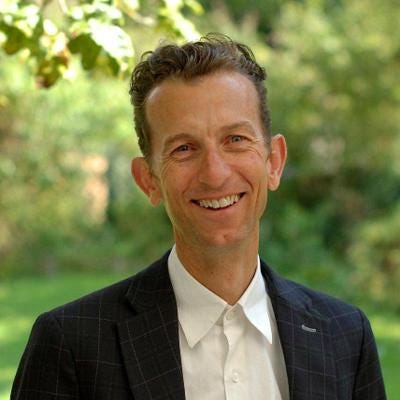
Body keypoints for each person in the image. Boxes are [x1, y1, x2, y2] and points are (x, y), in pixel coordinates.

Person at [11, 33, 386, 400]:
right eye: (184, 148)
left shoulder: (345, 336)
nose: (215, 174)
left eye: (235, 139)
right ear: (149, 180)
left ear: (274, 162)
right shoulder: (72, 345)